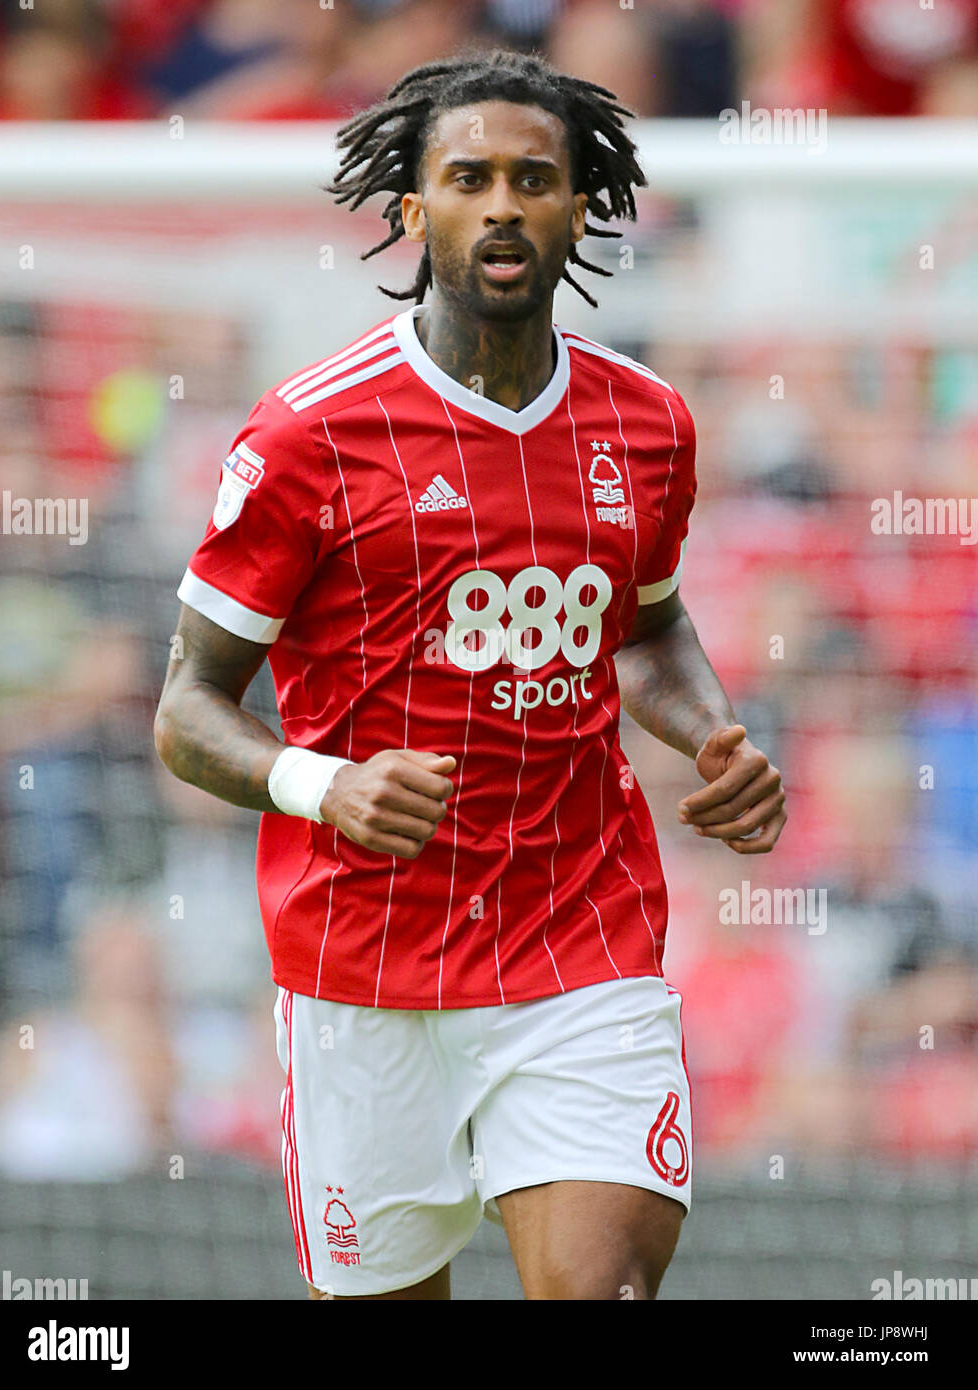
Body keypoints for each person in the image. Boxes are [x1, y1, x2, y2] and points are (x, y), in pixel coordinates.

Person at [154, 49, 786, 1301]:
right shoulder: (308, 435)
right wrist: (315, 781)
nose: (502, 204)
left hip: (578, 938)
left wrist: (712, 733)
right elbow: (186, 708)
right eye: (469, 178)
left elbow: (648, 628)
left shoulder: (646, 424)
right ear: (411, 210)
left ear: (580, 207)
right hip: (364, 965)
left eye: (534, 179)